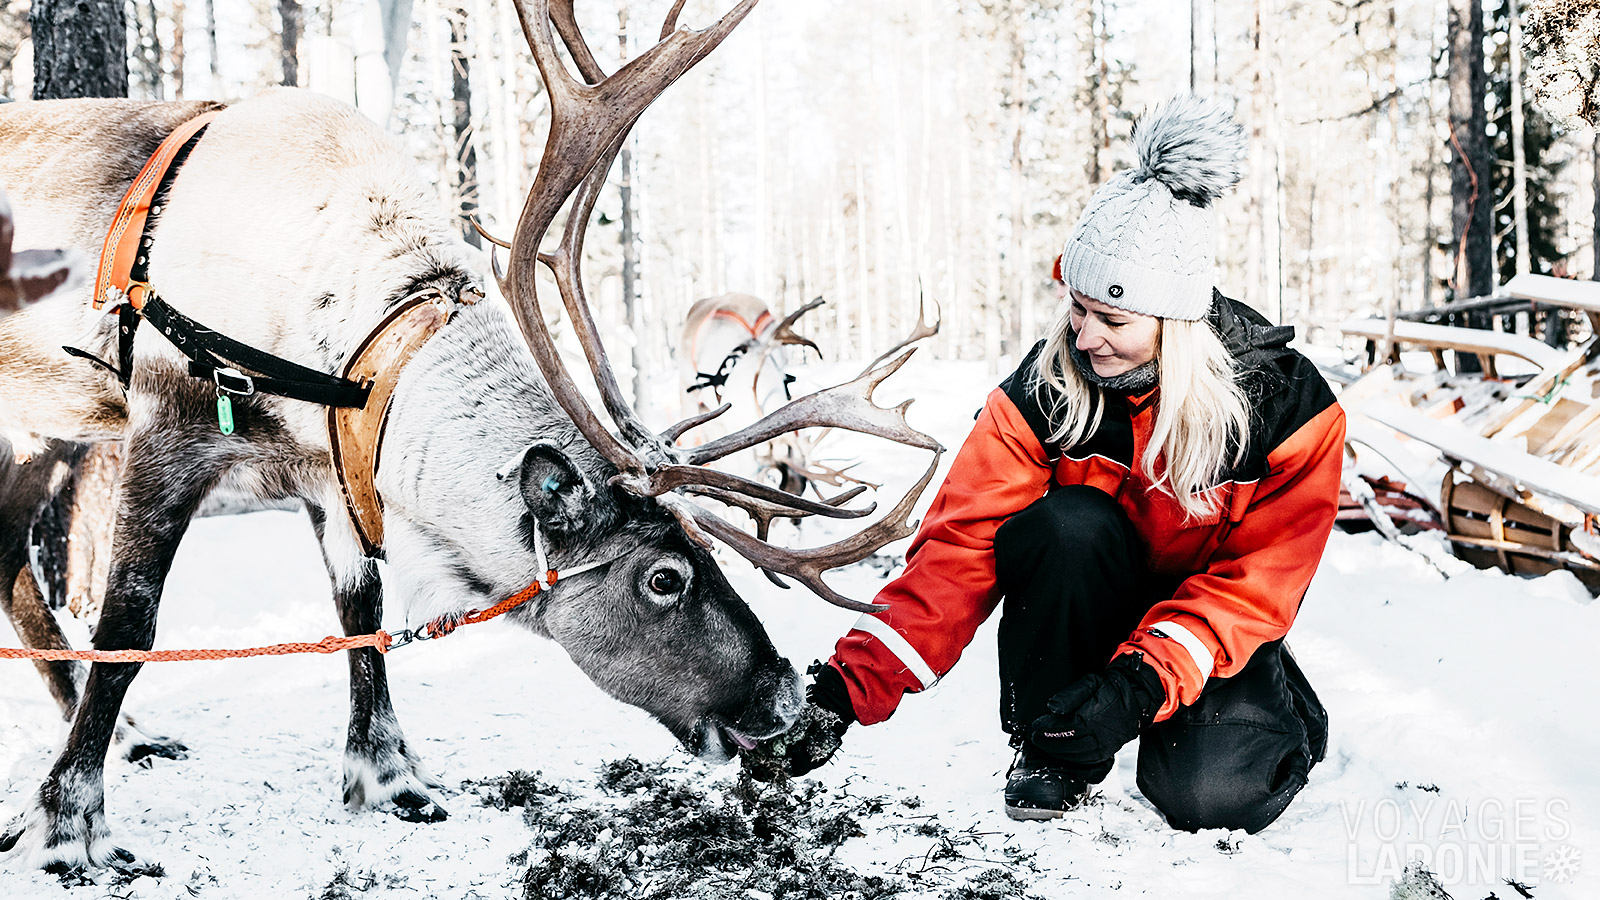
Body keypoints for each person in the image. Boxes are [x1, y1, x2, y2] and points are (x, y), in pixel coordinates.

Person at [750, 95, 1345, 835]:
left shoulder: (1288, 407)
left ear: (1176, 322)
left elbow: (1258, 584)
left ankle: (1273, 708)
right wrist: (842, 695)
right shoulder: (1045, 391)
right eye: (1078, 308)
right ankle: (1052, 748)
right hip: (1089, 599)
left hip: (1209, 624)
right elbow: (955, 553)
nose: (1085, 336)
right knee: (1065, 525)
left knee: (1210, 800)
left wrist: (1135, 685)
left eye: (1113, 319)